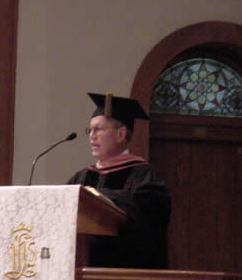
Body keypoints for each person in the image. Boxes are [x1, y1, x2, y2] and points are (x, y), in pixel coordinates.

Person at [68, 92, 171, 269]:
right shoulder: (81, 177)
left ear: (121, 134)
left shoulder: (143, 176)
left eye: (98, 129)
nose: (91, 136)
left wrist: (98, 197)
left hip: (124, 271)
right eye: (89, 130)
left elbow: (151, 218)